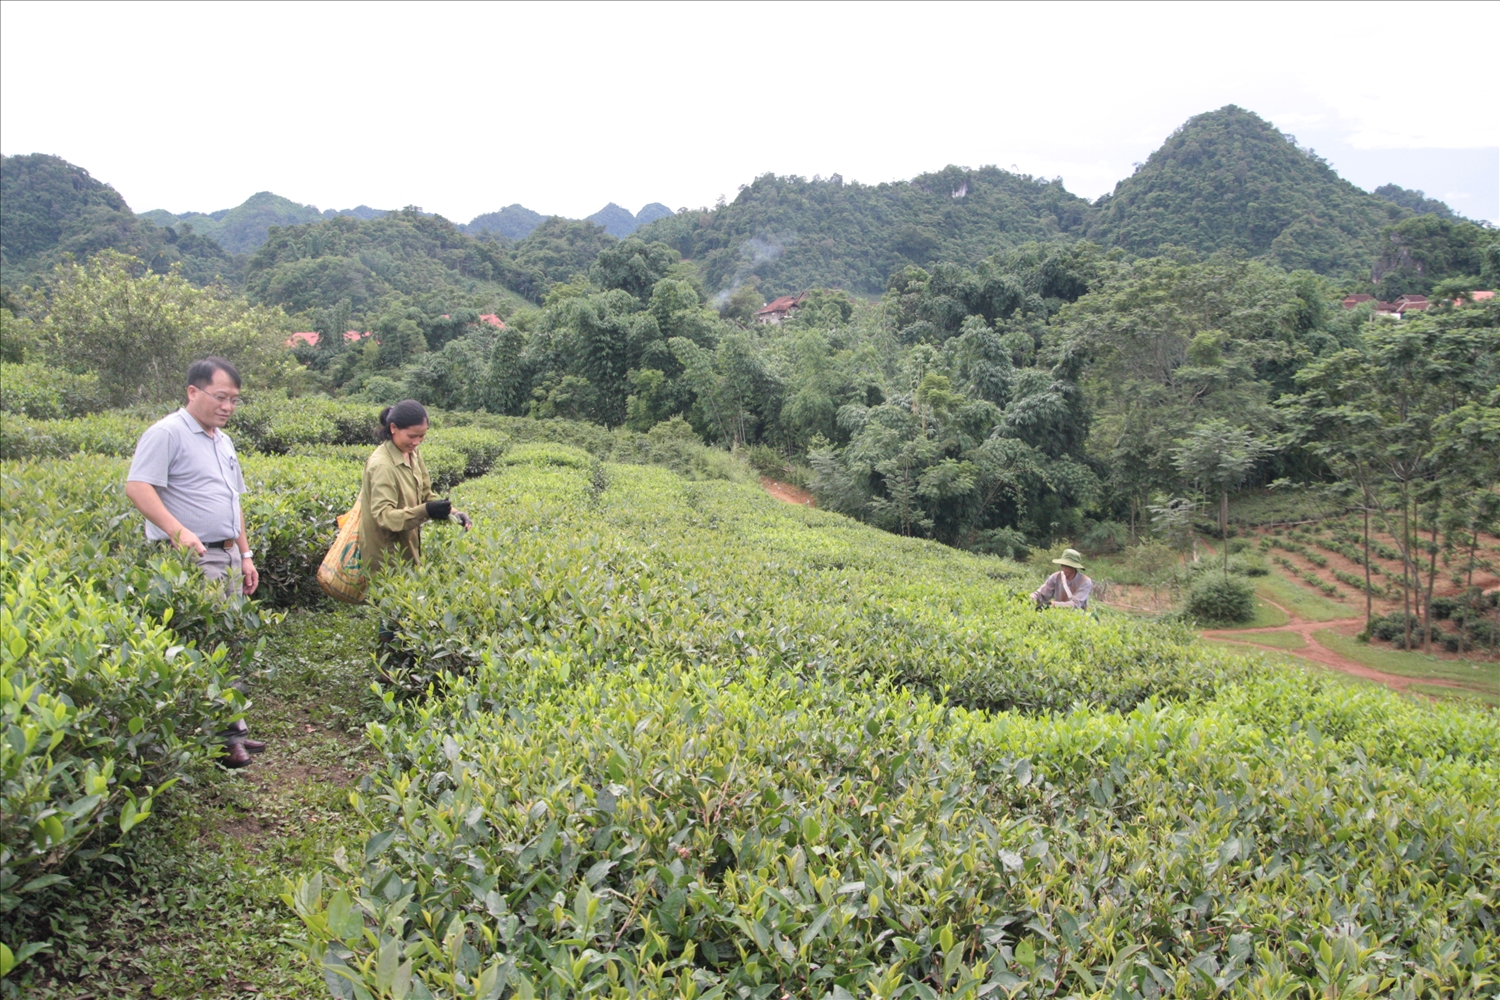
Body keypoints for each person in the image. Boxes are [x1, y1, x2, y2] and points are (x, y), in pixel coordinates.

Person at [125, 357, 265, 768]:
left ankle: (233, 730)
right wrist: (176, 530)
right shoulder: (167, 433)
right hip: (194, 559)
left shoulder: (223, 440)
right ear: (193, 392)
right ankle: (214, 738)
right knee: (204, 645)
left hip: (227, 554)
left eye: (234, 400)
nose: (227, 407)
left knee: (231, 643)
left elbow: (232, 501)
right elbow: (137, 486)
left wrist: (245, 553)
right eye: (221, 397)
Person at [358, 399, 470, 578]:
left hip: (409, 547)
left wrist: (454, 513)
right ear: (393, 428)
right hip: (387, 557)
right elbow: (384, 516)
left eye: (422, 436)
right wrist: (426, 511)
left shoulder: (412, 453)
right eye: (412, 436)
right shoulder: (382, 466)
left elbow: (425, 494)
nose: (417, 442)